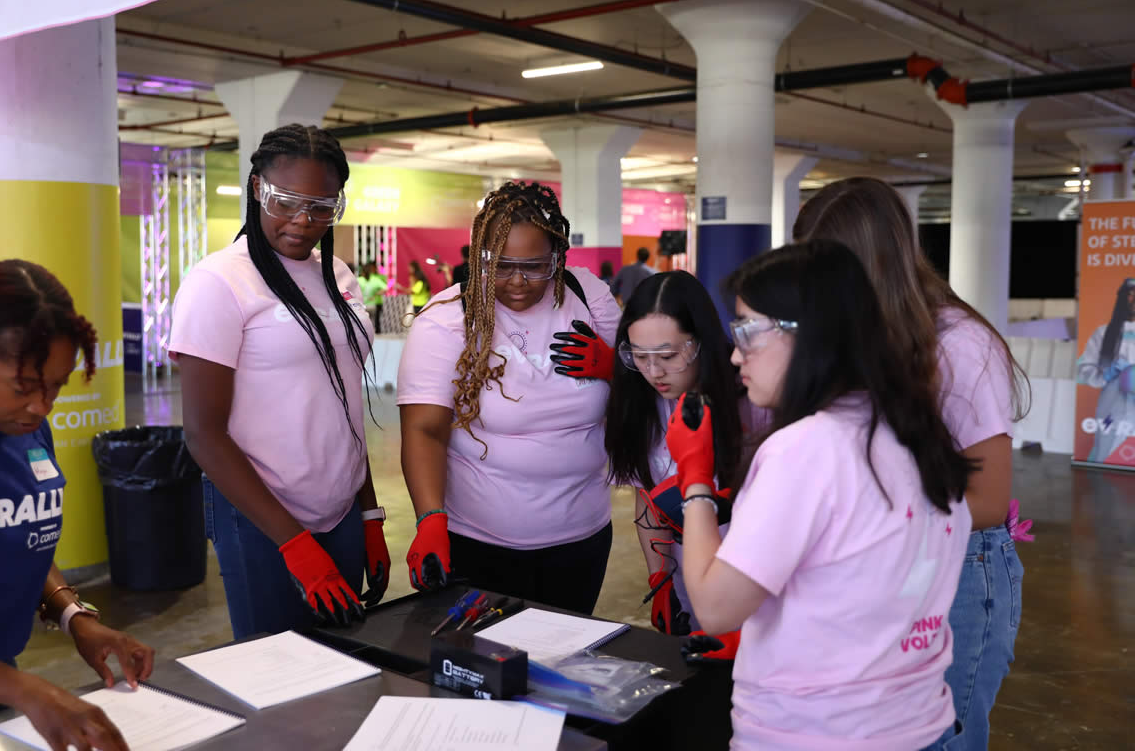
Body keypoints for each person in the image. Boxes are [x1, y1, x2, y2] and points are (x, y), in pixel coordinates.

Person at [667, 240, 973, 749]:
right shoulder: (919, 436)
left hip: (814, 731)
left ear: (808, 334)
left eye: (747, 330)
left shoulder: (806, 449)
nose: (737, 353)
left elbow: (717, 608)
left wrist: (694, 476)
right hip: (915, 724)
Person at [794, 176, 1030, 750]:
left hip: (960, 574)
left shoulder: (959, 344)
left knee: (942, 739)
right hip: (892, 566)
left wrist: (866, 519)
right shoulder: (860, 334)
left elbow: (990, 502)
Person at [171, 124, 387, 641]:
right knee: (278, 680)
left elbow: (345, 407)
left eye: (322, 206)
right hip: (262, 521)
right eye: (285, 200)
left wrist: (371, 514)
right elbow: (203, 435)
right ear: (256, 189)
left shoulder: (338, 275)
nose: (302, 221)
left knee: (344, 665)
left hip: (342, 513)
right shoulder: (219, 282)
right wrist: (292, 543)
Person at [0, 260, 155, 749]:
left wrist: (75, 617)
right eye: (25, 386)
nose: (43, 406)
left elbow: (12, 536)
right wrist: (30, 691)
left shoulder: (26, 425)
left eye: (56, 384)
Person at [397, 181, 621, 613]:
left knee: (560, 662)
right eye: (500, 266)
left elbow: (652, 384)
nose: (517, 281)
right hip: (481, 544)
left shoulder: (587, 297)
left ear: (558, 257)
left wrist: (615, 367)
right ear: (481, 257)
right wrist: (430, 520)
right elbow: (425, 429)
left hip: (582, 538)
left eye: (535, 266)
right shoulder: (448, 318)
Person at [595, 271, 763, 662]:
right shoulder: (640, 401)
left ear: (701, 342)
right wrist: (661, 577)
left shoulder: (751, 398)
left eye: (668, 356)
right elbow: (647, 500)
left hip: (755, 575)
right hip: (692, 573)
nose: (653, 372)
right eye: (639, 356)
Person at [1077, 277, 1135, 463]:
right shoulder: (1103, 333)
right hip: (1110, 412)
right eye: (1129, 295)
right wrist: (1106, 373)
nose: (1133, 300)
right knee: (1106, 455)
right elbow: (1084, 369)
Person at [358, 260, 388, 334]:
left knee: (363, 321)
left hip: (362, 305)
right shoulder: (375, 279)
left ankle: (365, 333)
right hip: (372, 304)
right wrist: (377, 293)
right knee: (373, 321)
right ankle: (372, 334)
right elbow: (386, 288)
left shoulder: (359, 280)